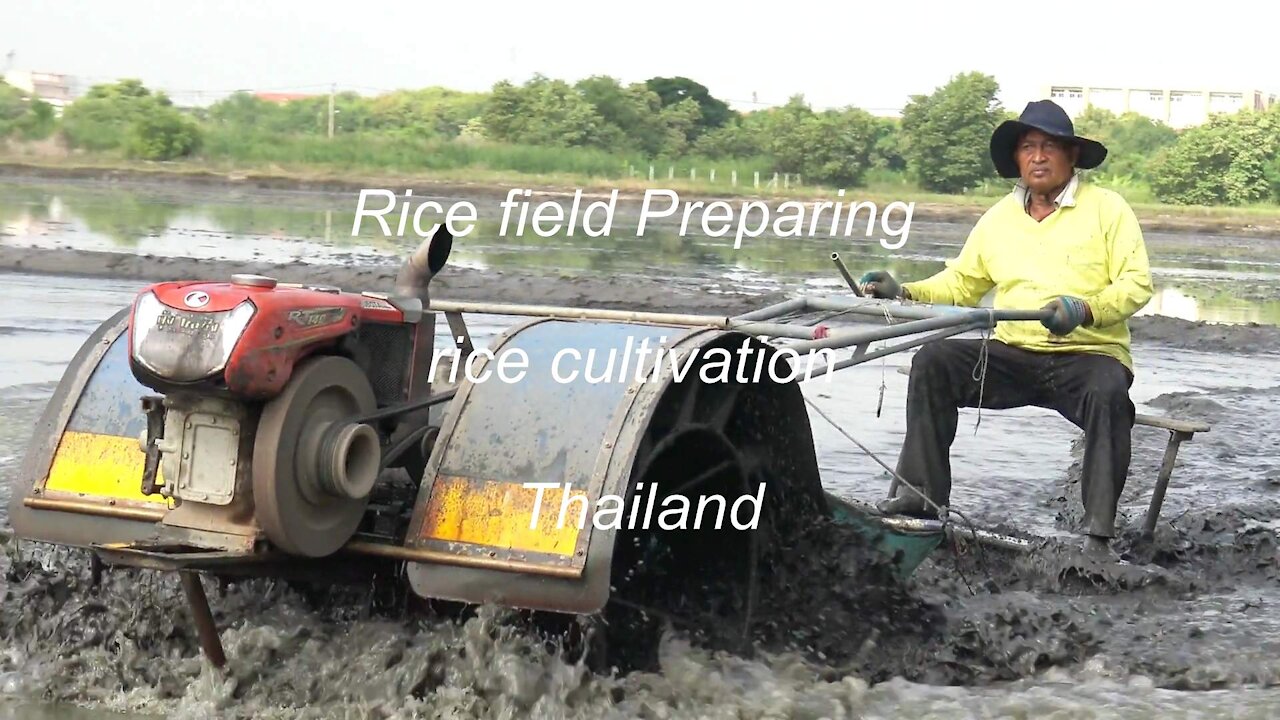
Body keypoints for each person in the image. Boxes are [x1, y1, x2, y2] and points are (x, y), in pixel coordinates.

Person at [860, 99, 1154, 559]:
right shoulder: (999, 217)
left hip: (1086, 356)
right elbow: (962, 283)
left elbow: (1136, 286)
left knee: (1109, 394)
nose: (1038, 156)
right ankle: (918, 503)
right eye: (1028, 147)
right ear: (1017, 159)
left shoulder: (1108, 209)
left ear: (1071, 155)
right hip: (1013, 353)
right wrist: (903, 291)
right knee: (934, 361)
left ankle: (1098, 537)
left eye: (1050, 146)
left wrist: (1085, 308)